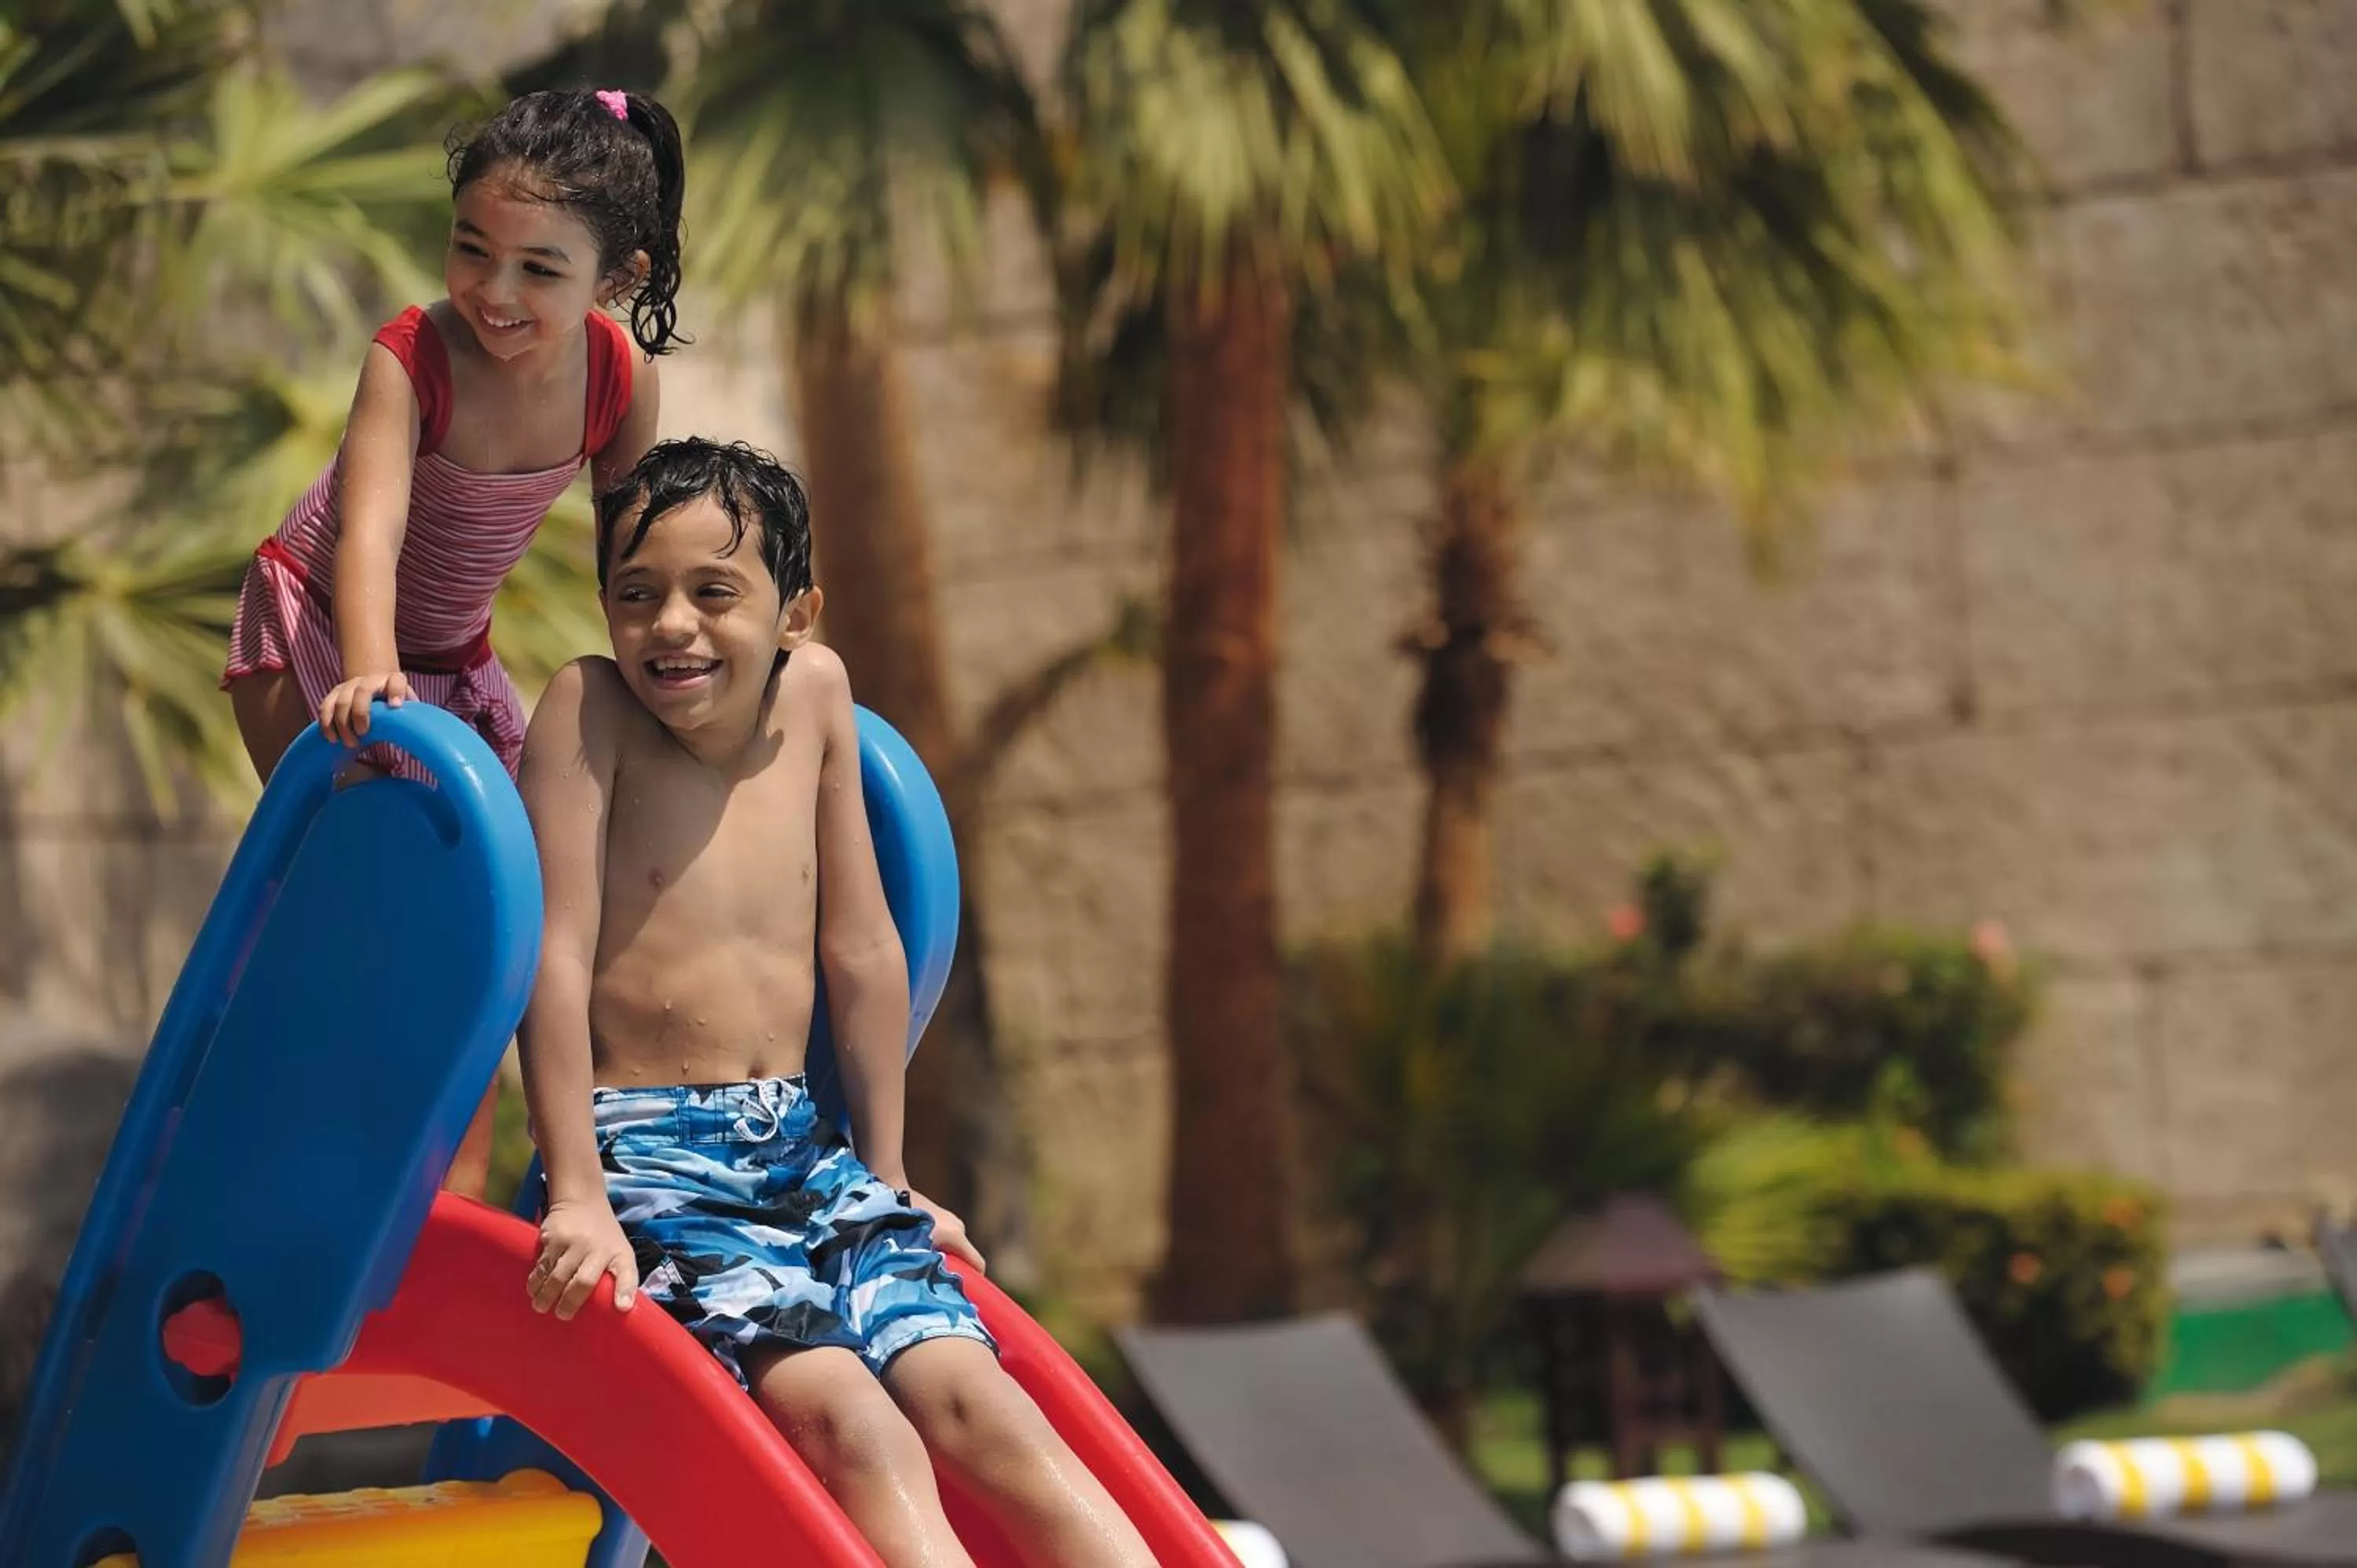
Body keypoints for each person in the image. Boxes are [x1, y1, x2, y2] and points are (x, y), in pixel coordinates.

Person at [514, 438, 1154, 1566]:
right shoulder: (587, 713)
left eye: (716, 592)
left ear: (795, 610)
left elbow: (859, 946)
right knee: (859, 1429)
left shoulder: (817, 696)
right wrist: (576, 1194)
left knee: (986, 1410)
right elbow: (551, 958)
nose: (673, 625)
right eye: (637, 593)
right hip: (655, 1165)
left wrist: (890, 1177)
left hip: (809, 1157)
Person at [219, 86, 687, 1195]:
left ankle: (455, 1189)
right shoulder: (413, 353)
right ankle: (296, 1144)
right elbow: (369, 531)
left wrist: (658, 690)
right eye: (472, 250)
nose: (495, 290)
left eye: (540, 268)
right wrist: (374, 672)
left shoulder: (620, 381)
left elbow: (630, 556)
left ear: (614, 279)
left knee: (489, 915)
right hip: (323, 629)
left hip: (452, 660)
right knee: (366, 892)